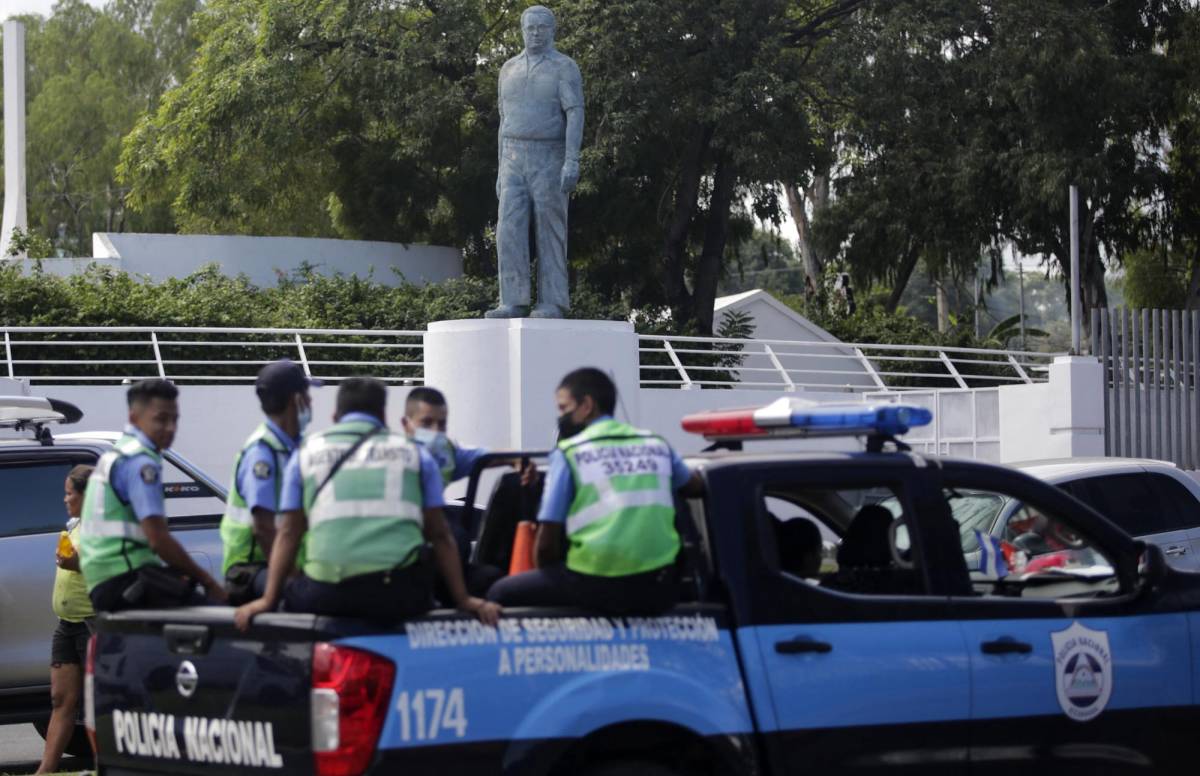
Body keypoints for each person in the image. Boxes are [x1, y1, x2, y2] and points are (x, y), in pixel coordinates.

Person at [234, 377, 500, 629]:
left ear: (335, 417)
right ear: (384, 417)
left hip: (326, 595)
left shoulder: (305, 455)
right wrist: (463, 599)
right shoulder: (416, 455)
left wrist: (267, 600)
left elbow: (289, 534)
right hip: (399, 598)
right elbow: (441, 535)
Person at [487, 368, 702, 615]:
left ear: (587, 405)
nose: (561, 416)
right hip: (659, 586)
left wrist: (550, 576)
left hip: (594, 585)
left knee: (499, 592)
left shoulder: (570, 453)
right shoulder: (656, 444)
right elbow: (694, 486)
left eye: (564, 408)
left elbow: (546, 544)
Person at [79, 379, 227, 611]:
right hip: (126, 578)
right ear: (134, 418)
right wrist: (208, 581)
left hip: (107, 582)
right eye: (161, 419)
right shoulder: (141, 462)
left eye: (174, 419)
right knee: (221, 618)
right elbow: (158, 539)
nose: (170, 428)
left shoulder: (121, 452)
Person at [487, 4, 584, 319]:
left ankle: (553, 301)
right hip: (513, 156)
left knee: (550, 229)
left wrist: (571, 159)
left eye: (542, 27)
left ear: (552, 30)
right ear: (522, 30)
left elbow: (575, 112)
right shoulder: (508, 69)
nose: (536, 33)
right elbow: (503, 120)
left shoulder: (564, 67)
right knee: (508, 230)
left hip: (549, 154)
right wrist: (501, 168)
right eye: (530, 27)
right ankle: (512, 300)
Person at [220, 360, 316, 602]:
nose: (311, 401)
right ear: (296, 399)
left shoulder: (293, 448)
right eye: (307, 393)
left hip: (280, 565)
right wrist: (292, 577)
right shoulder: (262, 452)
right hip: (251, 570)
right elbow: (263, 527)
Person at [35, 465, 94, 775]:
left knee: (101, 703)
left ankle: (111, 766)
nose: (65, 498)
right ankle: (45, 771)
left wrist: (77, 562)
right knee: (61, 699)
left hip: (91, 624)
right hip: (67, 624)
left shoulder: (103, 527)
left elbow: (108, 564)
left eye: (70, 493)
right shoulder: (76, 525)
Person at [401, 386, 488, 485]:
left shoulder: (448, 456)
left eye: (442, 424)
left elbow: (492, 456)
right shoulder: (390, 458)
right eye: (426, 422)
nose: (436, 430)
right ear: (406, 424)